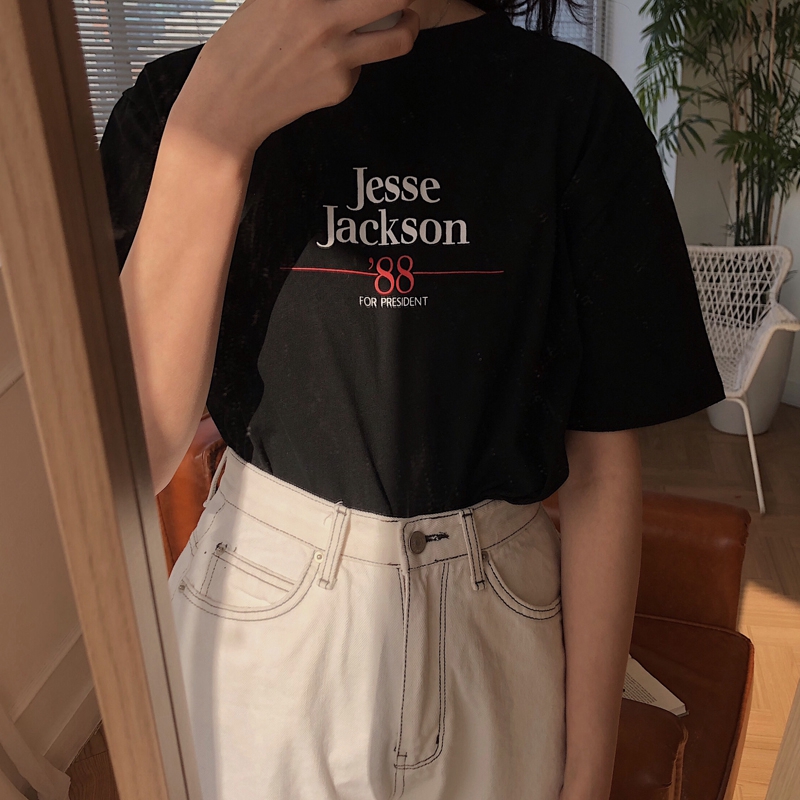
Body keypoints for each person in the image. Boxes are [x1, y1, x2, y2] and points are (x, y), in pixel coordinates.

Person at [99, 0, 725, 798]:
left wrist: (589, 766)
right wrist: (213, 132)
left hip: (501, 616)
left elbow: (601, 462)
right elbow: (132, 458)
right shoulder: (181, 99)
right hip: (259, 614)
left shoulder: (573, 106)